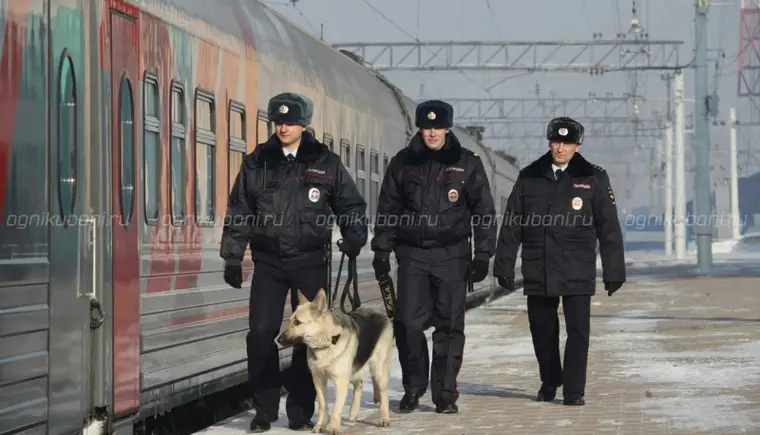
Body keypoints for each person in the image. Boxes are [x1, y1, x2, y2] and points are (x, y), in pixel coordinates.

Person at [220, 92, 368, 432]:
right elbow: (240, 209)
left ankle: (301, 410)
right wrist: (232, 255)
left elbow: (350, 205)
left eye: (290, 122)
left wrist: (354, 237)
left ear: (305, 125)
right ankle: (264, 409)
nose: (283, 127)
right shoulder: (258, 162)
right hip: (269, 263)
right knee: (260, 334)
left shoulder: (325, 162)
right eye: (278, 121)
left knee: (309, 338)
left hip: (309, 261)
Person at [370, 100, 497, 414]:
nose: (432, 133)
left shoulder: (467, 164)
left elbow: (483, 212)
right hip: (412, 254)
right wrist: (381, 250)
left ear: (447, 128)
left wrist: (483, 255)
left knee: (450, 326)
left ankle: (445, 394)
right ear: (419, 128)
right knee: (408, 324)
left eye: (438, 127)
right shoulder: (402, 163)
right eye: (427, 127)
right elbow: (388, 209)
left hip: (452, 255)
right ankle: (414, 388)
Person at [493, 116, 626, 406]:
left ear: (577, 146)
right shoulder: (529, 176)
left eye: (567, 143)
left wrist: (614, 270)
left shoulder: (593, 178)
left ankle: (574, 390)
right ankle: (550, 380)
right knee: (542, 329)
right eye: (556, 142)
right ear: (549, 142)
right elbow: (512, 223)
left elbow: (609, 227)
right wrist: (503, 264)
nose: (560, 148)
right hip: (538, 264)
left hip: (577, 265)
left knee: (578, 331)